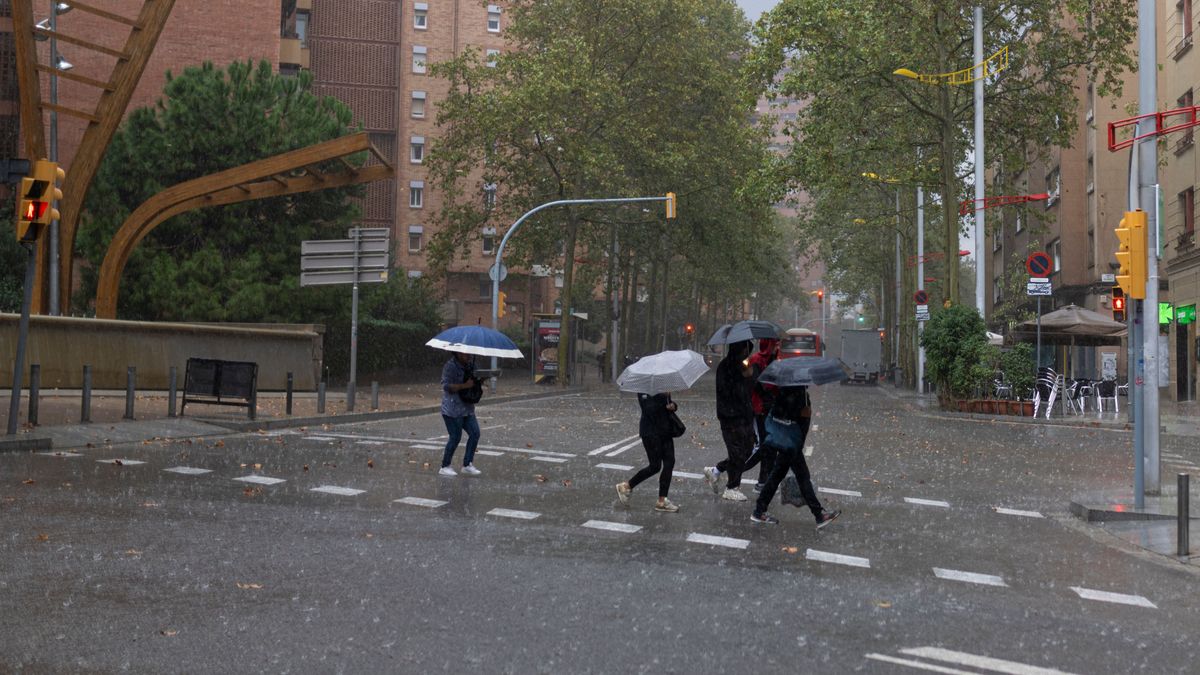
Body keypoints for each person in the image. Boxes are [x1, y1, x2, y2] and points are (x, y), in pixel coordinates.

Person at [750, 385, 840, 528]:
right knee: (801, 477)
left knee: (779, 476)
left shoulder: (790, 391)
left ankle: (759, 510)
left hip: (788, 441)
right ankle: (819, 515)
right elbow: (791, 418)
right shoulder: (796, 393)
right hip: (790, 443)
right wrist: (802, 413)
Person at [703, 339, 755, 501]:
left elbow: (748, 391)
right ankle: (732, 487)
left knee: (747, 450)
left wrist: (749, 377)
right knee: (737, 452)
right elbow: (729, 391)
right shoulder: (726, 367)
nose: (746, 354)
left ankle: (716, 470)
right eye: (745, 351)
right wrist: (743, 378)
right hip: (730, 417)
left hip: (744, 416)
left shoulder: (741, 366)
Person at [615, 391, 680, 512]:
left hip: (665, 430)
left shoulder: (662, 381)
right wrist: (664, 403)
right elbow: (648, 409)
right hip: (650, 432)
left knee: (670, 462)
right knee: (655, 466)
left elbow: (669, 404)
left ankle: (662, 500)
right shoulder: (644, 387)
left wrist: (673, 405)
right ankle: (626, 486)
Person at [740, 338, 780, 492]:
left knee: (769, 447)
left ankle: (763, 481)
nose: (777, 346)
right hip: (760, 408)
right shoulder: (756, 360)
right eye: (774, 344)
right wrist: (769, 391)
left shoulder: (775, 360)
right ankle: (731, 469)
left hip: (771, 409)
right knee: (763, 446)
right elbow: (757, 384)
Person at [438, 351, 482, 477]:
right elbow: (447, 387)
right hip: (452, 409)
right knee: (455, 437)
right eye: (465, 354)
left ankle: (467, 464)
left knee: (475, 433)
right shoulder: (450, 366)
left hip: (467, 408)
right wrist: (464, 385)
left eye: (469, 353)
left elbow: (474, 380)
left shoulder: (472, 365)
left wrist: (481, 379)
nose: (468, 355)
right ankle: (445, 466)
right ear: (457, 353)